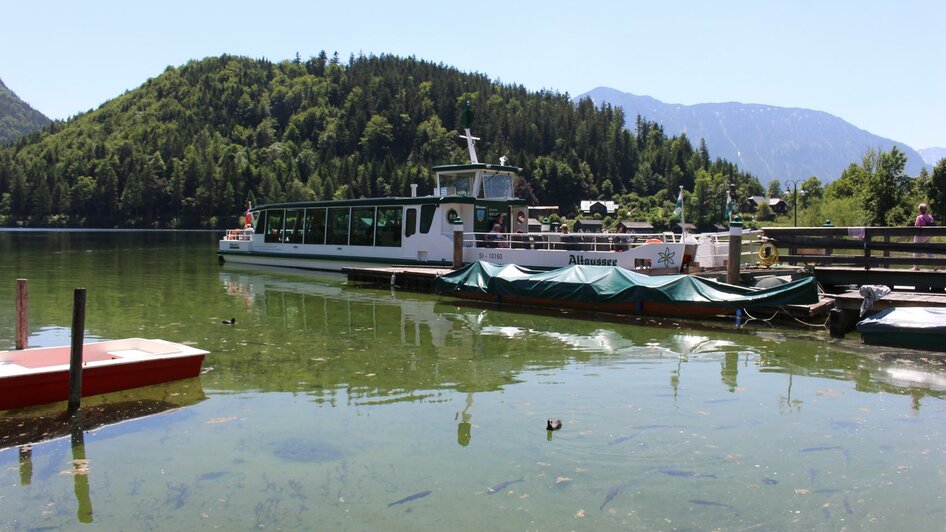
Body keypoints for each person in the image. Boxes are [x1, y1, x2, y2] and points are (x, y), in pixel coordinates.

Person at [913, 203, 936, 270]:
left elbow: (916, 227)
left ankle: (916, 266)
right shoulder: (930, 217)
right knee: (929, 251)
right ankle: (936, 264)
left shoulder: (919, 217)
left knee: (916, 250)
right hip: (928, 235)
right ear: (926, 209)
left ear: (920, 210)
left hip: (921, 236)